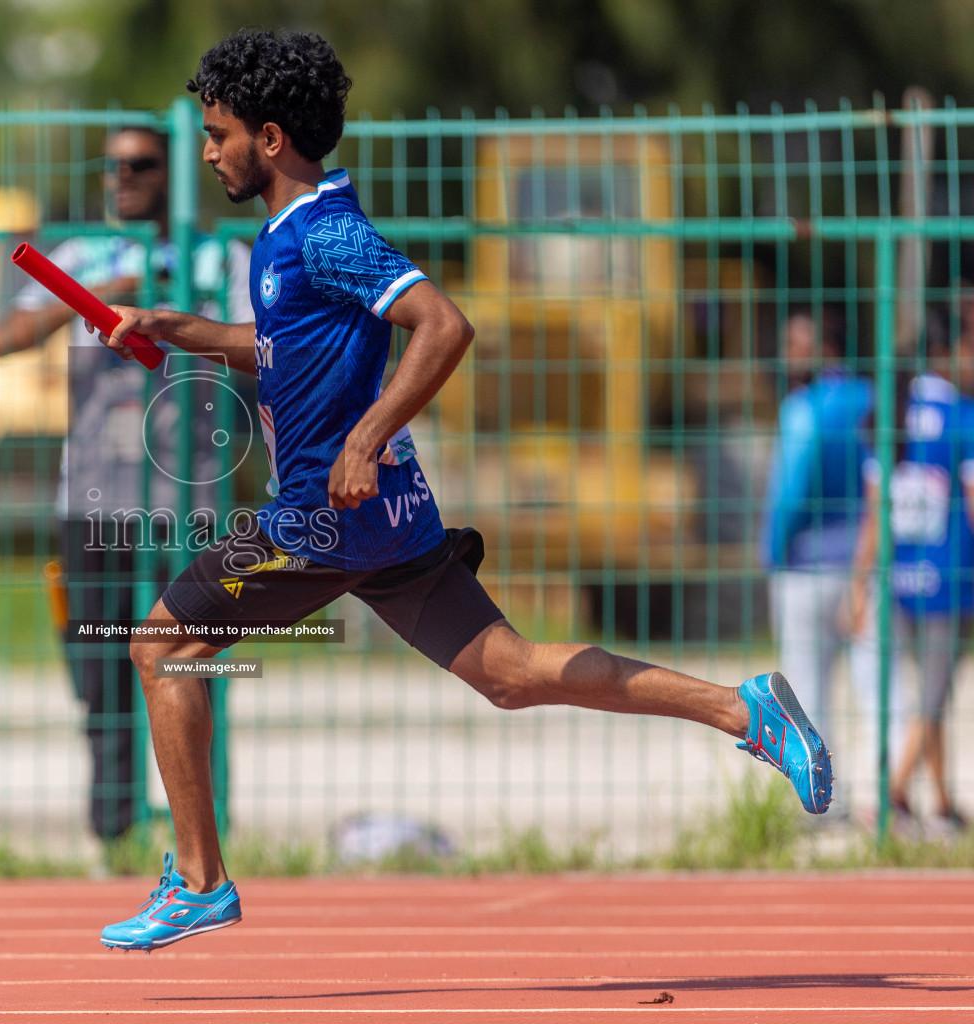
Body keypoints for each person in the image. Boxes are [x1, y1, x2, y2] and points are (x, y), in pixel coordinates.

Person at [90, 29, 832, 951]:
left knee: (162, 645)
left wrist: (364, 437)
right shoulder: (286, 238)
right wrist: (179, 328)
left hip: (327, 513)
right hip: (386, 519)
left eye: (217, 132)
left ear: (270, 138)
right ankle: (742, 706)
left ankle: (198, 881)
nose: (205, 151)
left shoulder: (327, 233)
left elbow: (443, 324)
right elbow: (284, 349)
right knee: (510, 674)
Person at [0, 127, 252, 844]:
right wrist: (100, 297)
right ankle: (114, 831)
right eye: (112, 165)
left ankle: (199, 829)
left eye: (139, 164)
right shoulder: (78, 260)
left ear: (174, 172)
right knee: (99, 670)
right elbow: (1, 339)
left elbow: (261, 349)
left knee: (191, 665)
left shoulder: (217, 258)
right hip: (94, 498)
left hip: (189, 499)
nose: (122, 177)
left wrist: (173, 313)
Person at [761, 309, 899, 824]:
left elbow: (790, 491)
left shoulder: (801, 408)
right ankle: (890, 798)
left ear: (824, 347)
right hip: (865, 563)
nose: (786, 353)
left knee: (806, 693)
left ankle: (821, 807)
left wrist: (771, 551)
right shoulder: (871, 399)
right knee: (879, 685)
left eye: (795, 343)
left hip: (804, 566)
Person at [841, 310, 973, 838]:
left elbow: (876, 511)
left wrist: (858, 583)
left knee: (926, 695)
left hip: (899, 577)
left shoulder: (891, 411)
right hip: (949, 577)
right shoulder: (962, 416)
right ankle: (889, 794)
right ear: (947, 352)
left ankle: (940, 801)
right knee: (935, 696)